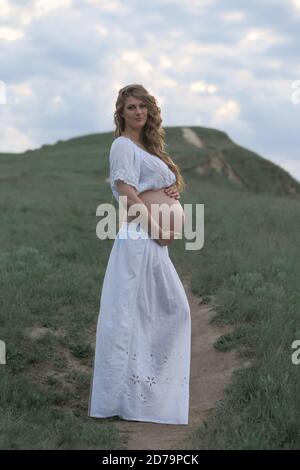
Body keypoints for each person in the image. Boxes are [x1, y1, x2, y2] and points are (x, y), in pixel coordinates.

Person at [88, 84, 191, 425]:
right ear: (121, 113)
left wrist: (172, 187)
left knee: (167, 311)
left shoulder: (147, 148)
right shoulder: (121, 145)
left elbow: (153, 188)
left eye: (142, 106)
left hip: (152, 242)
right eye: (131, 107)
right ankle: (120, 398)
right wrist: (157, 228)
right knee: (130, 316)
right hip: (139, 238)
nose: (138, 112)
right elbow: (126, 193)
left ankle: (148, 395)